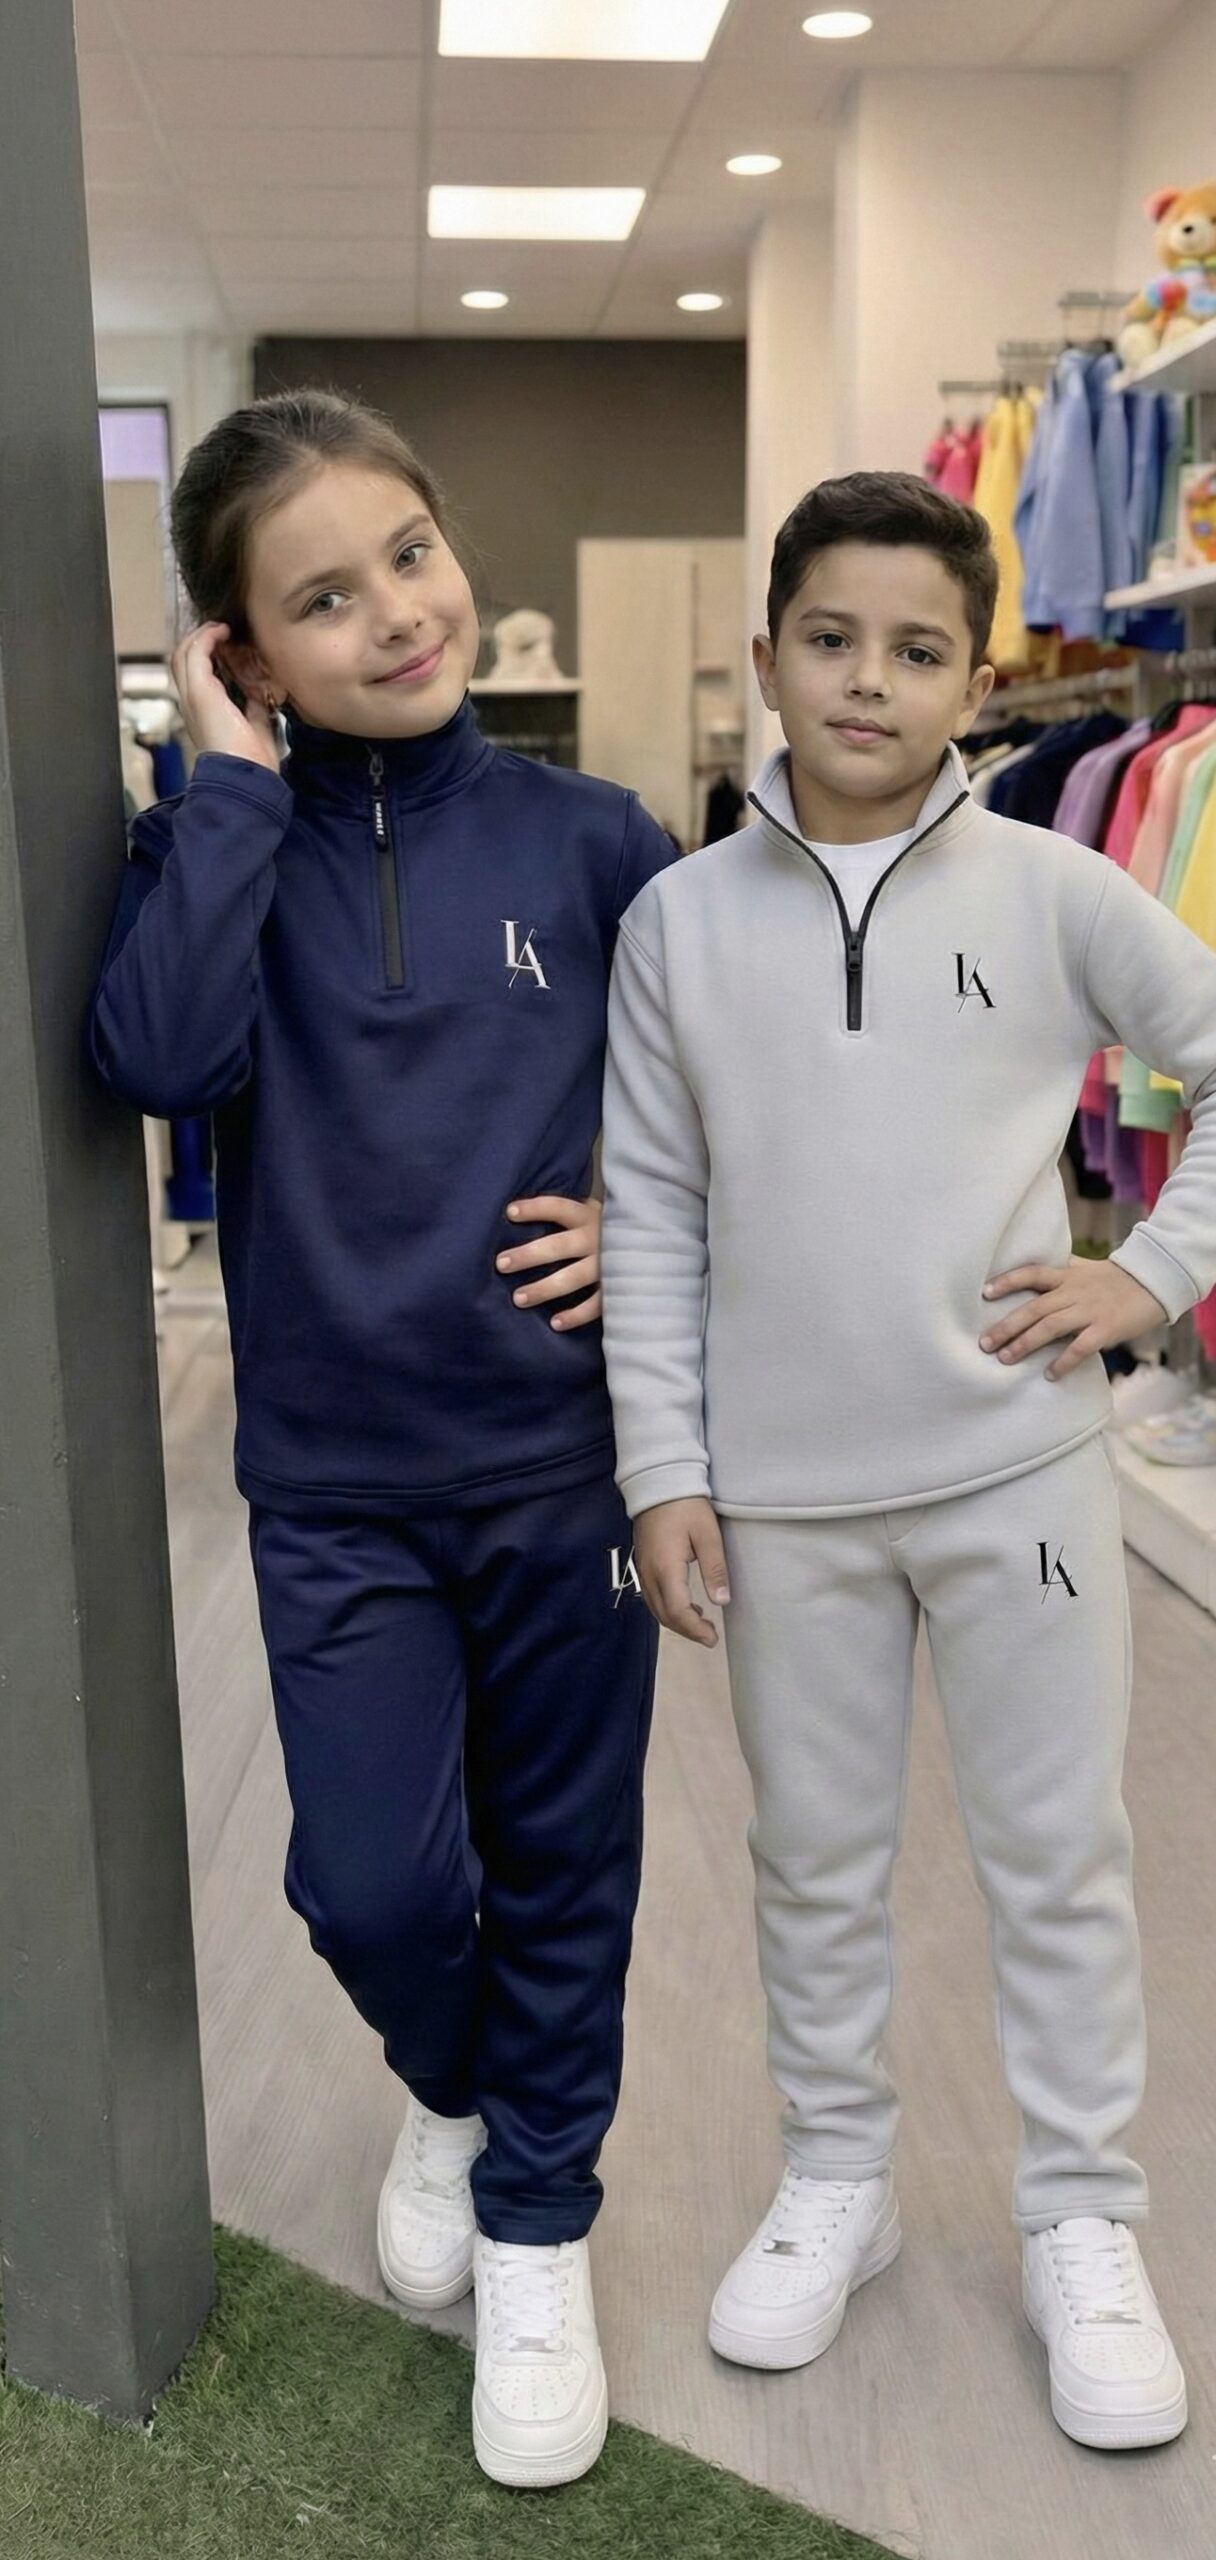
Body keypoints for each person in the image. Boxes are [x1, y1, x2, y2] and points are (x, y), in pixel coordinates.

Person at [90, 389, 675, 2490]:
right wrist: (226, 790)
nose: (398, 615)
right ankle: (458, 2086)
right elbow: (154, 1060)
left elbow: (725, 1102)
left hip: (561, 1469)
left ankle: (536, 2222)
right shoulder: (214, 851)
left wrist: (644, 1221)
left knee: (565, 1864)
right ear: (242, 652)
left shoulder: (598, 840)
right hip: (334, 1486)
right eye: (321, 600)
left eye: (409, 554)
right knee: (372, 1883)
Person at [601, 470, 1216, 2453]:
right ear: (768, 650)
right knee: (812, 1858)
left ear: (974, 679)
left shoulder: (1054, 888)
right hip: (784, 1503)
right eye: (831, 638)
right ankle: (837, 2177)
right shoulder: (675, 923)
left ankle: (1079, 2215)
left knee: (1056, 1854)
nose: (868, 679)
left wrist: (1149, 1280)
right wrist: (660, 1466)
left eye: (917, 649)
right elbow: (647, 1207)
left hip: (1019, 1486)